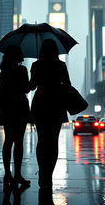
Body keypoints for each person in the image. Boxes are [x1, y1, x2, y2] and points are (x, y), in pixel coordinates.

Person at [29, 39, 71, 193]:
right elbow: (67, 84)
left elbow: (31, 86)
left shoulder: (36, 65)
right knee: (53, 141)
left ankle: (42, 173)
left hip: (40, 103)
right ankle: (49, 176)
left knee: (42, 140)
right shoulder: (60, 65)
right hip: (56, 104)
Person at [0, 45, 31, 188]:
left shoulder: (3, 71)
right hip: (20, 108)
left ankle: (7, 174)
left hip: (7, 108)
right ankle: (17, 174)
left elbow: (5, 88)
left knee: (8, 140)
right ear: (16, 55)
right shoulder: (22, 70)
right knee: (19, 142)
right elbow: (26, 88)